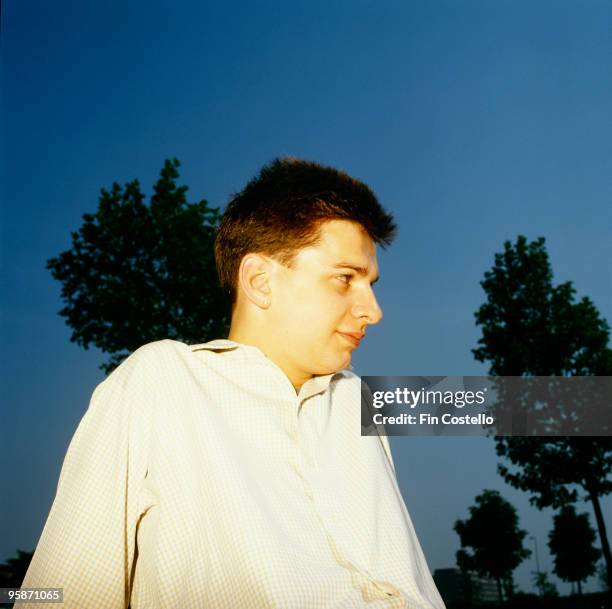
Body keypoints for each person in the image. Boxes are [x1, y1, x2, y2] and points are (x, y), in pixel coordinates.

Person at [17, 158, 445, 609]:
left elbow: (509, 404)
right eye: (345, 279)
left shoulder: (359, 401)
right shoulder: (163, 382)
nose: (373, 312)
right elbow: (59, 592)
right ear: (260, 281)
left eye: (371, 284)